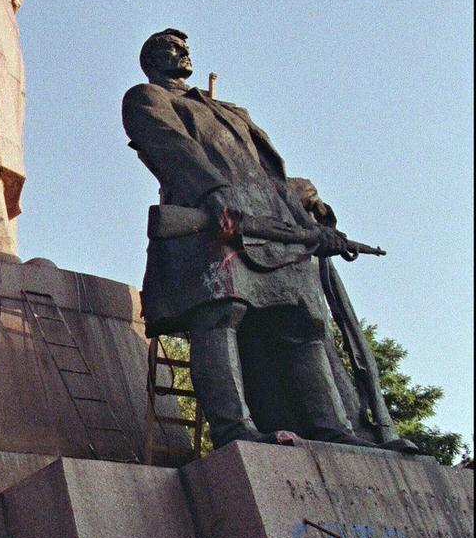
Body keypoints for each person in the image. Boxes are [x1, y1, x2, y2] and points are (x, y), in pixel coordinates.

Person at [122, 28, 375, 448]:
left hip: (270, 224)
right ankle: (234, 428)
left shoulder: (232, 112)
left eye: (184, 47)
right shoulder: (147, 97)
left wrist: (312, 222)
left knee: (304, 324)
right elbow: (174, 149)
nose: (181, 51)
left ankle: (335, 429)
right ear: (150, 60)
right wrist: (214, 193)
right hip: (214, 222)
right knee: (219, 317)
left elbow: (270, 174)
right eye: (169, 47)